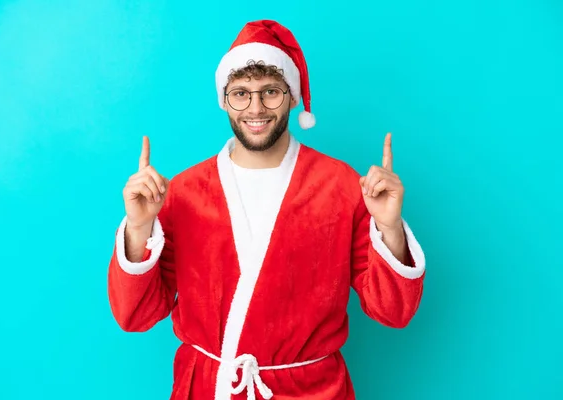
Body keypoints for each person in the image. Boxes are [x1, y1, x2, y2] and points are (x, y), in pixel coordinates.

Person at [108, 19, 426, 400]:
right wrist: (139, 229)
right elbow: (134, 316)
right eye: (240, 94)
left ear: (292, 96)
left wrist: (390, 228)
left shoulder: (341, 186)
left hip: (312, 391)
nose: (255, 108)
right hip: (210, 389)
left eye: (270, 92)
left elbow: (393, 312)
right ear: (224, 100)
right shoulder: (183, 192)